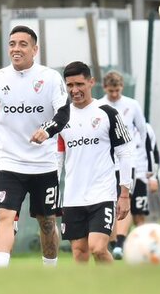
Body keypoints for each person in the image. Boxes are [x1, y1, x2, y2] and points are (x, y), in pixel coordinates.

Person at [0, 25, 70, 267]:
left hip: (44, 165)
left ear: (35, 49)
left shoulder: (50, 77)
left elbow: (64, 113)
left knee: (47, 222)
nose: (16, 49)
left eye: (23, 44)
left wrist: (46, 131)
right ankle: (2, 273)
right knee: (4, 215)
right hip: (9, 163)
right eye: (12, 43)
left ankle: (50, 270)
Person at [57, 61, 133, 264]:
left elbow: (125, 153)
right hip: (73, 196)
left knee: (98, 248)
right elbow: (58, 157)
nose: (75, 90)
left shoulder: (107, 112)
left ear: (91, 82)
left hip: (102, 193)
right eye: (70, 85)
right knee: (79, 252)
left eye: (80, 84)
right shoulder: (61, 116)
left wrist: (124, 193)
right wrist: (56, 191)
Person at [97, 71, 147, 259]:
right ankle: (110, 242)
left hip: (127, 162)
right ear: (104, 88)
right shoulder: (99, 105)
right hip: (107, 163)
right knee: (109, 202)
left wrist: (141, 160)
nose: (115, 94)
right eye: (111, 91)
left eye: (117, 90)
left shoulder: (132, 105)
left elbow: (142, 132)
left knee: (124, 201)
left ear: (122, 88)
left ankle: (120, 241)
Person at [132, 123, 159, 226]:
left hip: (141, 176)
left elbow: (154, 153)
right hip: (121, 176)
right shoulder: (119, 125)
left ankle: (141, 240)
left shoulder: (146, 128)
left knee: (139, 213)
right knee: (120, 212)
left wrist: (153, 177)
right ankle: (120, 240)